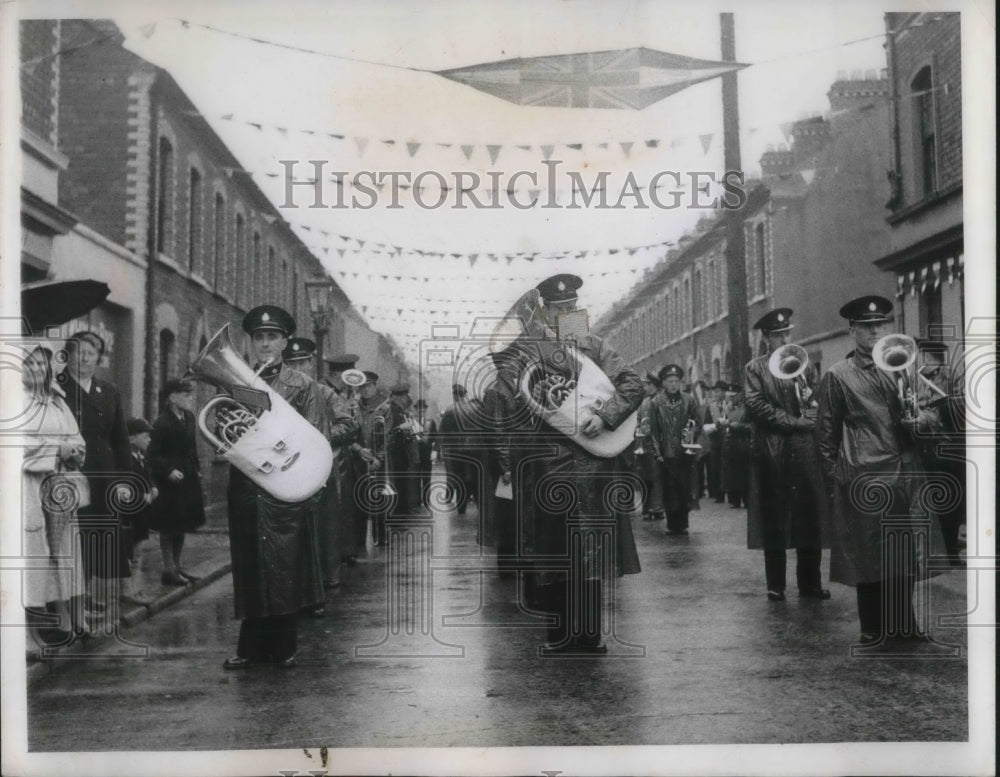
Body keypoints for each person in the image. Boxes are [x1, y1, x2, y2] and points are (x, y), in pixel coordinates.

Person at [522, 274, 643, 653]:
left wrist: (605, 416)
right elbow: (516, 405)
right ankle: (560, 635)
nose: (567, 313)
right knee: (555, 551)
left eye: (572, 307)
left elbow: (633, 385)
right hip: (549, 463)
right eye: (560, 309)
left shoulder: (595, 347)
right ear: (546, 311)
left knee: (590, 549)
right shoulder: (532, 353)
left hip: (591, 465)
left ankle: (590, 635)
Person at [816, 296, 943, 646]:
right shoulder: (837, 376)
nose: (875, 330)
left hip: (904, 470)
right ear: (852, 330)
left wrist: (921, 420)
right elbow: (825, 436)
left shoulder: (901, 367)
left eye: (880, 325)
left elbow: (931, 412)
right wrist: (833, 484)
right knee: (870, 550)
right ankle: (871, 626)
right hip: (863, 472)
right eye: (867, 326)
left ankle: (905, 624)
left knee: (904, 549)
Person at [222, 305, 343, 669]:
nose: (265, 344)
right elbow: (225, 425)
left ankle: (284, 645)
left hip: (283, 488)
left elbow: (317, 438)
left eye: (272, 337)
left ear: (284, 341)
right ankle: (250, 647)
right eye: (259, 337)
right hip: (245, 486)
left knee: (283, 565)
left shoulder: (303, 385)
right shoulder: (236, 380)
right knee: (249, 565)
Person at [745, 308, 830, 602]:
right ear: (766, 338)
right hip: (773, 450)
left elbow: (815, 397)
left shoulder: (803, 365)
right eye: (778, 334)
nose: (784, 338)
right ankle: (776, 584)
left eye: (787, 333)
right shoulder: (754, 369)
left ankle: (810, 583)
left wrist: (812, 406)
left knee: (809, 515)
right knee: (775, 516)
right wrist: (795, 422)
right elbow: (756, 406)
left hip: (804, 449)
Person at [59, 331, 139, 609]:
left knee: (97, 534)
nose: (84, 358)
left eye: (90, 353)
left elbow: (121, 439)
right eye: (78, 351)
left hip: (104, 474)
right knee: (73, 534)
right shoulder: (57, 388)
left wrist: (125, 480)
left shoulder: (110, 391)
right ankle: (71, 598)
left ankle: (88, 592)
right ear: (68, 355)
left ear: (98, 358)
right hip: (70, 471)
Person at [21, 346, 88, 645]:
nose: (37, 369)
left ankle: (63, 618)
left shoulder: (57, 401)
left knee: (62, 553)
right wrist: (54, 448)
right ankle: (28, 630)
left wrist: (73, 450)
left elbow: (76, 438)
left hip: (59, 487)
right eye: (30, 363)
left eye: (42, 363)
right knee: (32, 555)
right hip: (27, 486)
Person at [283, 338, 359, 593]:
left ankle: (327, 579)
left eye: (301, 363)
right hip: (288, 471)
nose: (297, 369)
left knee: (324, 526)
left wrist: (319, 439)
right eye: (291, 364)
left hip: (321, 469)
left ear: (310, 365)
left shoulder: (324, 393)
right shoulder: (278, 394)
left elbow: (348, 424)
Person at [148, 379, 206, 587]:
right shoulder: (161, 423)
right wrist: (168, 471)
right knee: (169, 525)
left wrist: (197, 470)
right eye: (186, 395)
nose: (190, 399)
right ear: (172, 398)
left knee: (182, 523)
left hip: (187, 478)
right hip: (169, 482)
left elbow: (192, 449)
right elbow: (152, 455)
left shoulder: (189, 418)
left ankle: (178, 566)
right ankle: (168, 569)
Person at [914, 338, 966, 567]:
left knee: (952, 500)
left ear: (929, 356)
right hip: (925, 446)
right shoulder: (914, 378)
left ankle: (951, 551)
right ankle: (934, 552)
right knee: (929, 500)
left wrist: (941, 406)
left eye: (921, 354)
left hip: (949, 445)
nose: (917, 358)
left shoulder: (950, 375)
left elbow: (962, 404)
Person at [648, 363, 701, 536]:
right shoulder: (656, 403)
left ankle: (683, 523)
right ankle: (672, 523)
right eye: (670, 381)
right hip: (666, 453)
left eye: (676, 381)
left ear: (680, 383)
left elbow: (697, 422)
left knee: (684, 487)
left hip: (685, 452)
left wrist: (691, 435)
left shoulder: (689, 400)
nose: (673, 384)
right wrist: (657, 452)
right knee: (669, 488)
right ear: (663, 383)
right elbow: (653, 430)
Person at [325, 353, 364, 565]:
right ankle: (338, 552)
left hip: (346, 457)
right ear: (338, 374)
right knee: (337, 505)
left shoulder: (347, 396)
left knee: (347, 504)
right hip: (332, 456)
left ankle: (347, 549)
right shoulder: (328, 393)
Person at [352, 370, 393, 547]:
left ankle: (381, 536)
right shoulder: (354, 407)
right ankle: (360, 539)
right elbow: (350, 432)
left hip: (378, 460)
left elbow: (388, 435)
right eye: (362, 387)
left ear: (375, 386)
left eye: (369, 386)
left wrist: (379, 458)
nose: (366, 390)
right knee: (359, 498)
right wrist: (357, 449)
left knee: (379, 497)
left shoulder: (384, 407)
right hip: (359, 458)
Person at [437, 384, 479, 515]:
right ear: (465, 394)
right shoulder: (475, 409)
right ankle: (480, 508)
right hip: (473, 450)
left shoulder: (450, 410)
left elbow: (442, 432)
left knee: (459, 479)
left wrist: (440, 450)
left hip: (456, 451)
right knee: (474, 478)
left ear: (455, 395)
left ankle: (461, 508)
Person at [125, 417, 157, 582]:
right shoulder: (125, 461)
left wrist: (153, 487)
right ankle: (129, 588)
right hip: (131, 516)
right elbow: (125, 486)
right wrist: (142, 496)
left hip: (142, 516)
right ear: (131, 439)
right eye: (145, 436)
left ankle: (136, 587)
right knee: (130, 555)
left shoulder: (142, 457)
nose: (149, 440)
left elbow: (148, 476)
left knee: (139, 552)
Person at [636, 372, 665, 521]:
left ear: (654, 386)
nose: (645, 387)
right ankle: (646, 507)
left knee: (657, 477)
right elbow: (639, 420)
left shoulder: (661, 401)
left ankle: (657, 507)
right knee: (644, 477)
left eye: (647, 385)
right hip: (644, 445)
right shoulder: (644, 402)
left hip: (657, 444)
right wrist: (638, 430)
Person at [719, 384, 751, 509]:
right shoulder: (727, 408)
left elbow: (752, 425)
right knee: (731, 473)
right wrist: (722, 423)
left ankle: (747, 499)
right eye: (729, 396)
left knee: (744, 473)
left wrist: (738, 426)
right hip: (729, 443)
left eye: (734, 396)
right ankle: (735, 499)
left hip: (743, 443)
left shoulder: (748, 408)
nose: (731, 398)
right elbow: (723, 421)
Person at [412, 399, 436, 507]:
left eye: (423, 408)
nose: (421, 410)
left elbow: (435, 436)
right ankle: (417, 500)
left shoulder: (431, 422)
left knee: (426, 477)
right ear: (416, 409)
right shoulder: (411, 421)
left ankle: (426, 499)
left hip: (426, 453)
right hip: (415, 453)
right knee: (416, 478)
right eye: (419, 408)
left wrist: (433, 450)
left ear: (425, 409)